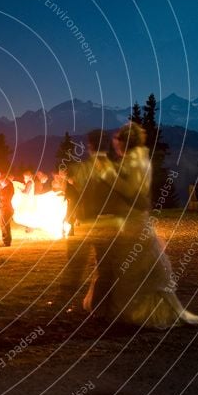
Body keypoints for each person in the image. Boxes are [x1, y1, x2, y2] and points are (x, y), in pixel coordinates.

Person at [100, 122, 198, 329]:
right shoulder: (139, 160)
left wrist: (109, 176)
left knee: (136, 268)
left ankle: (138, 313)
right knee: (143, 267)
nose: (116, 146)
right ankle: (149, 309)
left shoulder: (133, 163)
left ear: (124, 143)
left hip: (132, 223)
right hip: (135, 221)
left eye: (118, 142)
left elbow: (132, 193)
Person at [69, 129, 121, 311]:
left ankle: (102, 307)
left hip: (98, 222)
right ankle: (109, 304)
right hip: (114, 221)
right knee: (111, 262)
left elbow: (85, 195)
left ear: (91, 146)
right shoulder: (115, 166)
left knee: (104, 264)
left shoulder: (87, 168)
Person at [0, 171, 15, 247]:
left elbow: (6, 197)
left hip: (6, 208)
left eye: (1, 181)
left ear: (4, 180)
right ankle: (6, 241)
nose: (0, 183)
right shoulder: (7, 187)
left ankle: (6, 242)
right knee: (4, 225)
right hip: (5, 207)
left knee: (4, 225)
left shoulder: (8, 187)